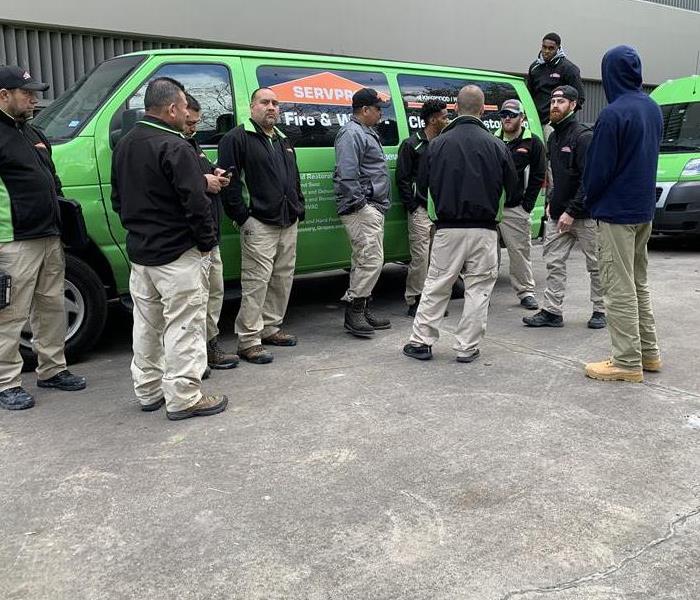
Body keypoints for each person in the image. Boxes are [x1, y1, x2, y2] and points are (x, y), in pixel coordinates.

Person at [111, 77, 227, 420]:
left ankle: (148, 390)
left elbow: (119, 199)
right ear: (173, 108)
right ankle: (184, 397)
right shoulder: (175, 146)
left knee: (146, 325)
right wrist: (206, 244)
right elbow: (196, 203)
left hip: (142, 252)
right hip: (177, 254)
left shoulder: (126, 143)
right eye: (184, 108)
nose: (186, 115)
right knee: (184, 325)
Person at [403, 85, 517, 363]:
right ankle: (467, 347)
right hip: (485, 230)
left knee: (436, 284)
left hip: (446, 228)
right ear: (481, 110)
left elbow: (424, 187)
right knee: (479, 289)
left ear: (455, 108)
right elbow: (512, 189)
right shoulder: (498, 145)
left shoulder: (437, 144)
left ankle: (421, 341)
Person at [0, 65, 86, 411]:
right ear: (3, 95)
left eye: (35, 93)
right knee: (9, 314)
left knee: (51, 307)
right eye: (27, 93)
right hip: (12, 240)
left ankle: (52, 369)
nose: (34, 99)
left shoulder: (32, 131)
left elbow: (52, 180)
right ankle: (6, 382)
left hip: (48, 235)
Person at [583, 46, 663, 383]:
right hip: (643, 209)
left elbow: (599, 169)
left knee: (618, 287)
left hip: (617, 212)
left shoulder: (614, 113)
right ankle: (648, 353)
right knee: (638, 284)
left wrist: (589, 198)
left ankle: (626, 361)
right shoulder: (652, 107)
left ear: (609, 74)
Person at [218, 87, 304, 364]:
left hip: (287, 220)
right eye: (265, 102)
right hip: (259, 223)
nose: (271, 107)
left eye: (276, 103)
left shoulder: (282, 140)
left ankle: (270, 327)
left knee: (282, 278)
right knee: (256, 283)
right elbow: (228, 184)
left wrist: (298, 207)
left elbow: (294, 178)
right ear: (251, 106)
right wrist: (242, 217)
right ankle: (249, 340)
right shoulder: (236, 138)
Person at [523, 86, 606, 330]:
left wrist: (572, 211)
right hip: (558, 215)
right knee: (553, 263)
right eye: (553, 101)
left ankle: (600, 310)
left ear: (573, 105)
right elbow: (554, 176)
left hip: (585, 216)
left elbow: (589, 180)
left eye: (561, 101)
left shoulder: (583, 136)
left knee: (596, 265)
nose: (555, 105)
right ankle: (551, 311)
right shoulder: (553, 136)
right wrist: (551, 203)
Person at [183, 93, 239, 371]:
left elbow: (203, 173)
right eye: (190, 122)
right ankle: (195, 357)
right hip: (192, 241)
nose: (194, 127)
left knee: (214, 293)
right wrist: (202, 183)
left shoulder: (192, 144)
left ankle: (210, 344)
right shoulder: (172, 146)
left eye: (196, 122)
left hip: (210, 234)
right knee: (193, 301)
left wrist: (215, 174)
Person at [334, 88, 392, 337]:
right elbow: (347, 174)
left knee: (364, 259)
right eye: (378, 109)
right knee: (370, 260)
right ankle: (354, 311)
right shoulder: (351, 133)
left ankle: (362, 307)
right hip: (361, 208)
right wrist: (361, 205)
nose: (381, 113)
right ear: (365, 110)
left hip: (370, 206)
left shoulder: (365, 131)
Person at [396, 99, 449, 316]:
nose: (447, 119)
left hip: (441, 211)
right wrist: (413, 206)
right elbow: (402, 179)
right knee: (420, 258)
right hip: (420, 210)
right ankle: (415, 299)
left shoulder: (445, 143)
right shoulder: (411, 144)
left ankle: (432, 299)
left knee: (439, 257)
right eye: (444, 116)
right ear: (432, 119)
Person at [494, 99, 546, 310]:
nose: (507, 118)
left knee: (519, 253)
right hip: (489, 209)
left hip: (515, 209)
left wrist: (527, 205)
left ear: (522, 118)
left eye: (512, 114)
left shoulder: (532, 142)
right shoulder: (492, 140)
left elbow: (538, 175)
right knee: (486, 256)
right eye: (503, 114)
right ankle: (482, 293)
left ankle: (525, 292)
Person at [527, 33, 586, 127]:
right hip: (535, 123)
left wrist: (562, 118)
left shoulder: (569, 69)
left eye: (551, 48)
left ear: (558, 48)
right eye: (544, 47)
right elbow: (528, 96)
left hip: (557, 125)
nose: (546, 51)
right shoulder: (534, 67)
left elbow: (580, 98)